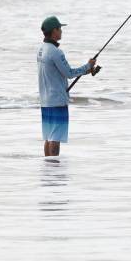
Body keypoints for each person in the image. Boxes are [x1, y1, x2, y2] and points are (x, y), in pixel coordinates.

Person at [37, 16, 96, 157]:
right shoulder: (56, 52)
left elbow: (57, 73)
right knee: (55, 138)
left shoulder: (41, 50)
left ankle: (48, 167)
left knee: (48, 136)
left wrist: (86, 71)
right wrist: (88, 66)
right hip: (57, 100)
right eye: (59, 28)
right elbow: (69, 73)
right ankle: (54, 169)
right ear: (53, 31)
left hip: (45, 100)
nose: (61, 31)